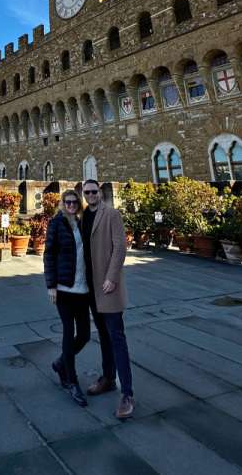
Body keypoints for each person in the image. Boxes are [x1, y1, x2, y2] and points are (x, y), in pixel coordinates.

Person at [80, 178, 134, 419]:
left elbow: (120, 247)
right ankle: (108, 378)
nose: (90, 195)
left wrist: (112, 278)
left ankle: (128, 394)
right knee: (102, 335)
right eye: (86, 192)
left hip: (107, 286)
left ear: (100, 193)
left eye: (93, 191)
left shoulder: (111, 214)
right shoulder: (82, 217)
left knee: (117, 338)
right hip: (91, 288)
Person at [43, 189, 90, 407]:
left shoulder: (82, 223)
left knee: (85, 334)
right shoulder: (56, 223)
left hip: (82, 288)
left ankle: (61, 363)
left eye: (74, 202)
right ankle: (72, 382)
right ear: (62, 203)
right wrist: (51, 286)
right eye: (67, 202)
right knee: (68, 332)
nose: (71, 205)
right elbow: (49, 254)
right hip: (63, 289)